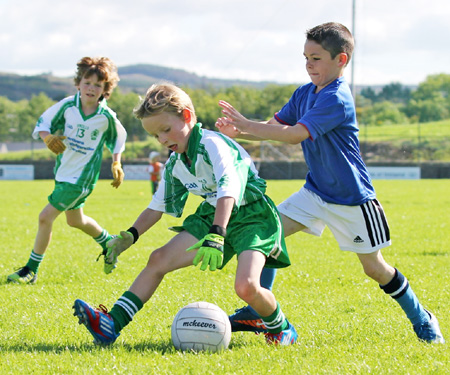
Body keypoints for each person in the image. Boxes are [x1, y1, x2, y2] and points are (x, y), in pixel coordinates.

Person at [215, 22, 444, 344]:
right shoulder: (304, 93)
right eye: (306, 57)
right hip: (314, 193)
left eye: (317, 58)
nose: (309, 64)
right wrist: (239, 132)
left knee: (375, 269)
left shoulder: (337, 99)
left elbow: (294, 135)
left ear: (341, 60)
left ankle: (422, 318)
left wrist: (246, 124)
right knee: (265, 233)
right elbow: (275, 126)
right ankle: (257, 311)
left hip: (353, 200)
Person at [72, 83, 297, 346]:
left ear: (187, 117)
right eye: (156, 136)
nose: (163, 139)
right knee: (158, 259)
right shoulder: (176, 163)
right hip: (212, 215)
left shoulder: (213, 144)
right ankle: (112, 323)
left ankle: (280, 327)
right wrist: (128, 238)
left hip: (252, 216)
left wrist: (217, 234)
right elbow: (156, 208)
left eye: (166, 130)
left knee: (246, 286)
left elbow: (230, 189)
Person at [7, 56, 127, 284]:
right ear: (78, 83)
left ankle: (31, 270)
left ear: (105, 90)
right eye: (87, 82)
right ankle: (109, 242)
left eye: (98, 85)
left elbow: (119, 139)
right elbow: (42, 123)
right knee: (75, 220)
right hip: (63, 173)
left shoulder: (106, 117)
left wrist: (116, 162)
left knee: (45, 218)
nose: (91, 88)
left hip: (81, 179)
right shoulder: (67, 106)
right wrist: (47, 137)